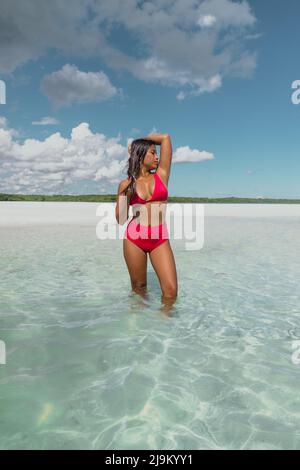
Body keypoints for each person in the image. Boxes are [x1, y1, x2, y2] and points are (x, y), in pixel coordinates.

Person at [115, 133, 178, 314]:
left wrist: (136, 142)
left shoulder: (162, 174)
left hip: (159, 238)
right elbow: (120, 219)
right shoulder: (126, 184)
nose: (157, 156)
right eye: (152, 153)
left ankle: (165, 330)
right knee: (139, 288)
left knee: (171, 292)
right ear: (141, 156)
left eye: (156, 153)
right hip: (134, 238)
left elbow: (165, 138)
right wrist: (124, 194)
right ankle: (140, 330)